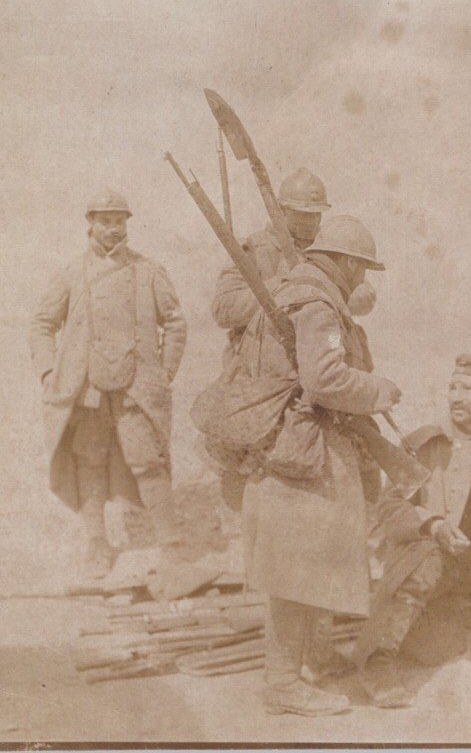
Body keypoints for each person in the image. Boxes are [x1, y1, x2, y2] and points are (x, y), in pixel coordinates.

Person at [229, 214, 401, 716]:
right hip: (303, 453)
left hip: (283, 448)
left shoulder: (289, 291)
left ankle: (299, 672)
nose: (363, 280)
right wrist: (378, 390)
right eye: (362, 269)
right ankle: (283, 684)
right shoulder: (319, 303)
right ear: (345, 262)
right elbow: (325, 378)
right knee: (295, 568)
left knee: (296, 565)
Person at [351, 355, 471, 707]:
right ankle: (378, 664)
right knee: (433, 643)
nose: (456, 397)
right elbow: (389, 507)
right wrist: (432, 524)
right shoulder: (423, 444)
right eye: (453, 387)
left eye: (467, 389)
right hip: (428, 562)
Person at [29, 190, 193, 594]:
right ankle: (97, 544)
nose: (113, 227)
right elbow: (41, 324)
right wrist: (50, 371)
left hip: (136, 386)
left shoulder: (149, 270)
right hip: (86, 388)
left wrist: (163, 372)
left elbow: (175, 323)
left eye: (119, 220)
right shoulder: (71, 273)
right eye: (105, 220)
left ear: (127, 224)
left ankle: (170, 545)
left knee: (147, 462)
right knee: (90, 462)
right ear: (91, 222)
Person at [206, 168, 329, 511]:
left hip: (314, 368)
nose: (310, 222)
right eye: (301, 213)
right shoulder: (254, 249)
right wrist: (278, 288)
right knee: (243, 458)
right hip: (258, 372)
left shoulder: (328, 249)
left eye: (315, 214)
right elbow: (224, 309)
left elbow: (362, 294)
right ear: (280, 209)